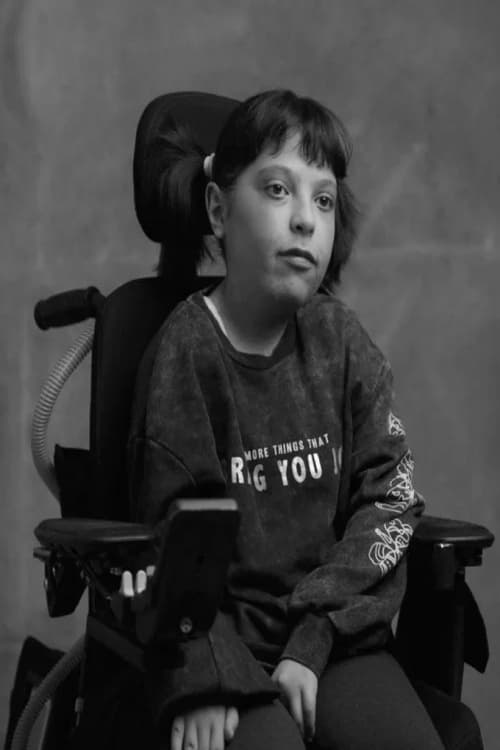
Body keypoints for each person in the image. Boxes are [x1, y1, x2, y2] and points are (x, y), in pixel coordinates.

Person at [127, 89, 445, 750]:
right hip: (223, 639)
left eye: (323, 200)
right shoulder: (187, 355)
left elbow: (389, 498)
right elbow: (172, 545)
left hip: (334, 630)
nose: (305, 219)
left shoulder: (340, 341)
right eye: (277, 190)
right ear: (219, 210)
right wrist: (202, 678)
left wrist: (316, 638)